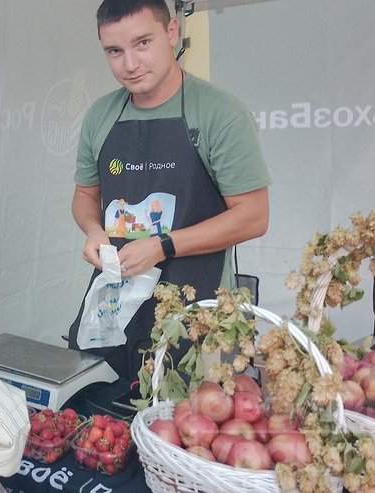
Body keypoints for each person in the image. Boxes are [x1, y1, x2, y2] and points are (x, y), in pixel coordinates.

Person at [67, 0, 271, 380]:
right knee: (92, 418)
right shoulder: (100, 116)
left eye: (142, 43)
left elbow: (254, 217)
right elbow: (84, 197)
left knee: (178, 427)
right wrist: (94, 231)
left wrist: (163, 246)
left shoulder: (219, 113)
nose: (129, 64)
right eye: (115, 51)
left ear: (172, 31)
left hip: (194, 313)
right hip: (112, 306)